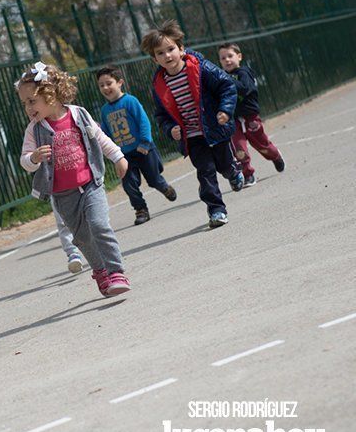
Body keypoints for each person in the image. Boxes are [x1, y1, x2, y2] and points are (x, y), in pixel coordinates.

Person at [17, 61, 131, 297]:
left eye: (31, 101)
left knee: (99, 225)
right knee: (82, 238)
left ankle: (116, 271)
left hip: (90, 185)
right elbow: (25, 161)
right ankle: (100, 272)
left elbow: (99, 137)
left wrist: (117, 156)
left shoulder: (78, 114)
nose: (28, 108)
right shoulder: (34, 130)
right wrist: (34, 158)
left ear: (51, 95)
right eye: (24, 103)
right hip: (63, 195)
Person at [141, 20, 244, 229]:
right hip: (193, 136)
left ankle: (232, 171)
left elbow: (227, 86)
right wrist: (171, 129)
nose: (167, 56)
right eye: (160, 53)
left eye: (171, 49)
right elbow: (161, 115)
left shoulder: (202, 69)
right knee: (205, 173)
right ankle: (217, 210)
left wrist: (225, 110)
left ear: (181, 49)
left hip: (215, 127)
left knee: (223, 165)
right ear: (154, 59)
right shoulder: (159, 85)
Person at [97, 65, 177, 225]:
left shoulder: (130, 101)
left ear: (120, 82)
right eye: (101, 85)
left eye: (109, 83)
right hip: (124, 155)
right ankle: (141, 210)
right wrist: (112, 154)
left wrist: (145, 142)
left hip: (143, 149)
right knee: (129, 185)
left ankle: (163, 187)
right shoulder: (105, 110)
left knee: (154, 179)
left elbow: (144, 121)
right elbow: (105, 135)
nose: (105, 88)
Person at [218, 42, 286, 186]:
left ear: (239, 56)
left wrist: (228, 80)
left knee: (262, 144)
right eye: (223, 58)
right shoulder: (222, 77)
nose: (227, 60)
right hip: (233, 119)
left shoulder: (244, 72)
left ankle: (275, 155)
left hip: (250, 117)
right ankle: (248, 174)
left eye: (230, 56)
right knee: (238, 148)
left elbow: (245, 89)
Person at [52, 200, 84, 273]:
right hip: (56, 190)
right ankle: (73, 254)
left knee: (90, 215)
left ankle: (102, 249)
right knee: (63, 220)